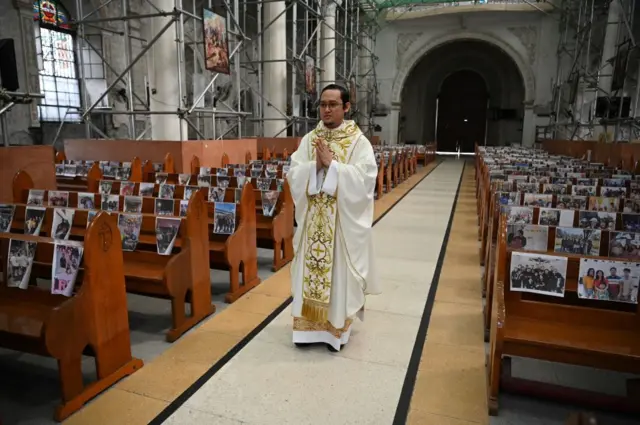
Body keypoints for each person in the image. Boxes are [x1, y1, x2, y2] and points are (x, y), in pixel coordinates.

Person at [286, 83, 380, 352]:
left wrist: (334, 166)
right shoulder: (309, 140)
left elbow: (366, 180)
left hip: (340, 225)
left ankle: (335, 332)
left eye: (332, 105)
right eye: (323, 105)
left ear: (346, 107)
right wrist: (313, 166)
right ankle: (306, 332)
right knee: (308, 275)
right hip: (313, 221)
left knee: (338, 277)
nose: (326, 110)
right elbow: (294, 174)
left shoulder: (358, 142)